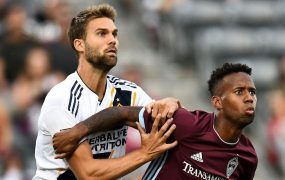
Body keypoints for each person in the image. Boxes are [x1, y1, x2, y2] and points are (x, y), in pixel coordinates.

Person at [33, 3, 180, 180]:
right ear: (80, 44)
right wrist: (145, 153)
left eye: (114, 34)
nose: (113, 40)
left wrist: (171, 103)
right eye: (102, 33)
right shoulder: (62, 98)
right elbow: (88, 175)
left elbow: (169, 121)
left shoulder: (129, 92)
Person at [53, 63, 258, 179]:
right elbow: (124, 113)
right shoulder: (187, 124)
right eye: (239, 92)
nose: (249, 98)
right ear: (217, 102)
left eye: (252, 92)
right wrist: (78, 132)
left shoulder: (248, 158)